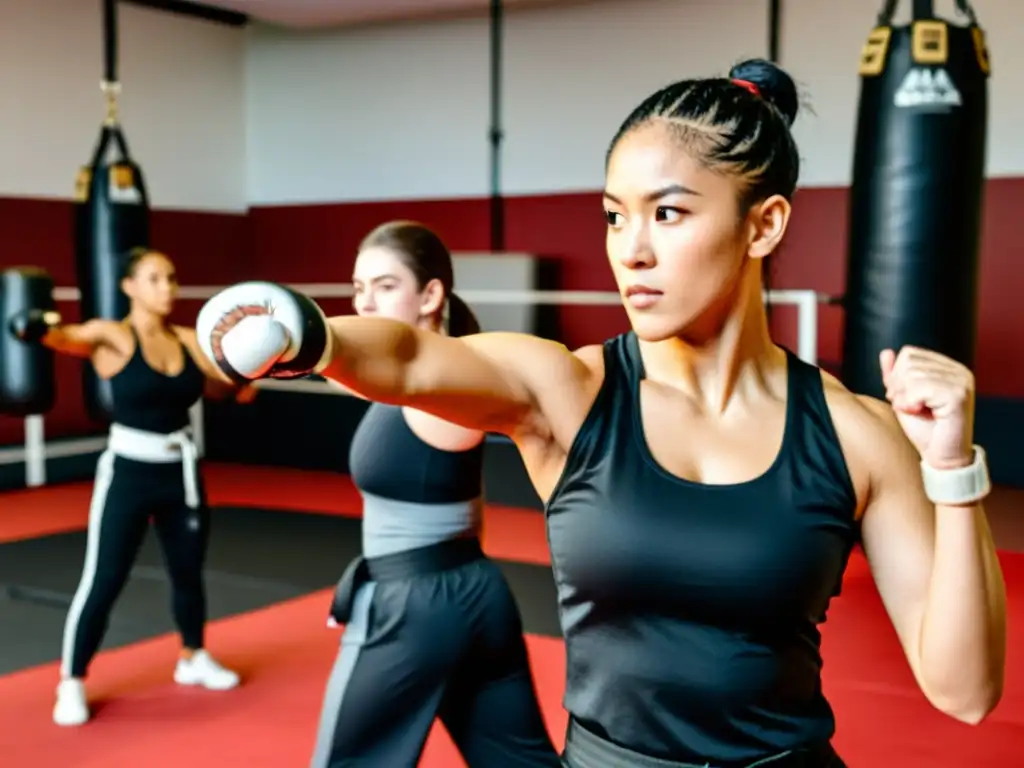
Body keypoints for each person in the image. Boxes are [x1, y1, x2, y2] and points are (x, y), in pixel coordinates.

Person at [197, 58, 1007, 768]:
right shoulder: (570, 395)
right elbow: (410, 357)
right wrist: (304, 330)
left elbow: (965, 691)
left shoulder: (854, 432)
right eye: (616, 215)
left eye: (669, 213)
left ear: (763, 225)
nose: (632, 250)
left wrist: (953, 471)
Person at [300, 221, 557, 767]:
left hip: (411, 605)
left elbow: (375, 362)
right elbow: (351, 367)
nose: (365, 303)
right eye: (358, 287)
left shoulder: (449, 386)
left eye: (385, 286)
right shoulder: (400, 381)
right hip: (475, 592)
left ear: (431, 294)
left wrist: (299, 337)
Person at [13, 248, 254, 727]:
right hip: (128, 472)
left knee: (188, 572)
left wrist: (252, 364)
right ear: (129, 286)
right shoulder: (112, 336)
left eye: (171, 277)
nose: (168, 286)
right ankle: (72, 680)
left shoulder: (188, 339)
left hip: (179, 472)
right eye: (155, 278)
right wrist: (35, 324)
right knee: (104, 580)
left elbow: (233, 392)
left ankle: (192, 656)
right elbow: (65, 337)